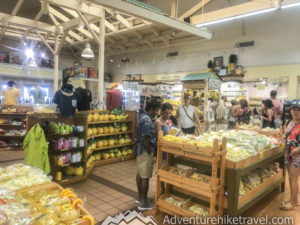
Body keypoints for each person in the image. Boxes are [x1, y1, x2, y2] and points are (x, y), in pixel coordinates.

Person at [135, 99, 161, 210]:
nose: (157, 112)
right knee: (145, 176)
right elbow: (145, 138)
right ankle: (143, 203)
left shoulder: (142, 117)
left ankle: (140, 197)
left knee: (140, 174)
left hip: (140, 150)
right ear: (150, 109)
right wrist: (149, 151)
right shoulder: (146, 120)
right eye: (156, 110)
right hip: (145, 151)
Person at [280, 100, 300, 210]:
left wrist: (297, 149)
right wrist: (283, 137)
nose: (296, 112)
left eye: (298, 110)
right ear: (290, 110)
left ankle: (292, 203)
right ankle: (294, 200)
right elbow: (287, 135)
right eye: (294, 109)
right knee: (291, 177)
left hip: (297, 155)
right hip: (288, 154)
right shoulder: (289, 122)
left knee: (294, 178)